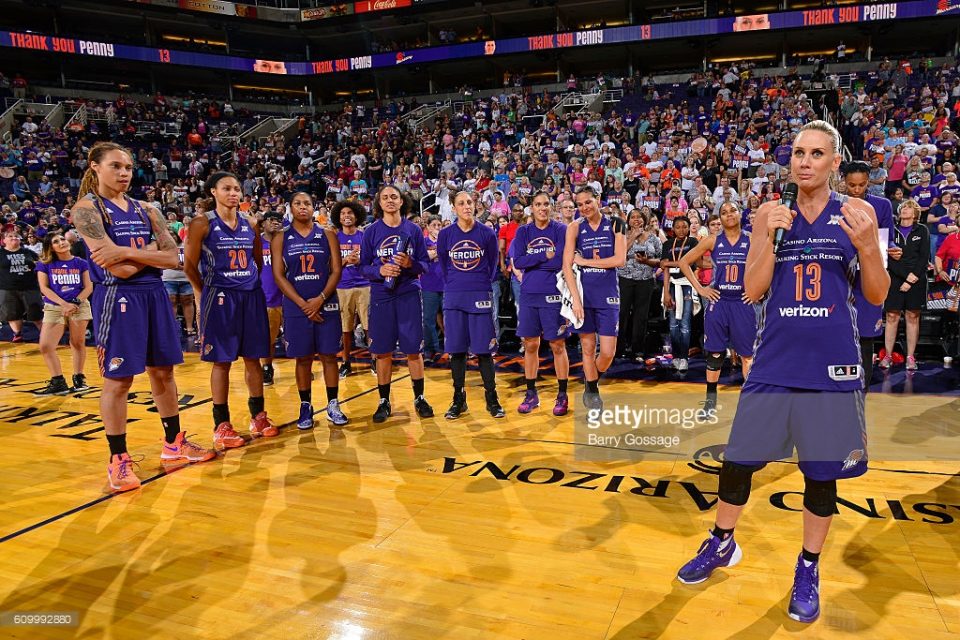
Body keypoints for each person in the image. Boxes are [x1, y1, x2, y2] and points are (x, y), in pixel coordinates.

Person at [675, 121, 890, 624]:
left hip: (832, 369)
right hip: (773, 360)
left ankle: (808, 567)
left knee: (820, 476)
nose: (806, 161)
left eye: (817, 153)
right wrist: (763, 234)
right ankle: (722, 543)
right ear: (789, 161)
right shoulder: (770, 215)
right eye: (798, 152)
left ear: (835, 162)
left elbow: (877, 295)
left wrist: (865, 247)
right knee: (738, 463)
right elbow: (752, 289)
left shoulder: (858, 214)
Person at [72, 142, 214, 493]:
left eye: (129, 168)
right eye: (116, 166)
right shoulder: (87, 209)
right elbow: (118, 271)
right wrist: (150, 253)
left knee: (163, 371)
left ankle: (173, 443)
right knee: (119, 380)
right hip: (118, 299)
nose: (124, 173)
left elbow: (177, 258)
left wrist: (123, 251)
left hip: (154, 294)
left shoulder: (147, 209)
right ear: (95, 167)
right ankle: (117, 459)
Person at [185, 171, 276, 450]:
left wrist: (247, 283)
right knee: (222, 361)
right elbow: (189, 265)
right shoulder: (202, 223)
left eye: (237, 189)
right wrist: (204, 292)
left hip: (250, 295)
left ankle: (258, 416)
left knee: (253, 357)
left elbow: (257, 262)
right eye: (227, 188)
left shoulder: (251, 223)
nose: (233, 193)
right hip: (220, 295)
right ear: (213, 192)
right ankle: (221, 424)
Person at [271, 192, 348, 429]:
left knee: (328, 356)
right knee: (302, 359)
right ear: (290, 208)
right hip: (296, 306)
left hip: (327, 302)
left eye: (307, 203)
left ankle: (333, 403)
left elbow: (336, 270)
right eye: (297, 203)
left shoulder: (327, 234)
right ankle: (306, 406)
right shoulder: (281, 238)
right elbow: (278, 275)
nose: (302, 207)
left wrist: (321, 298)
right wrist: (304, 304)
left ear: (314, 208)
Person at [359, 185, 434, 423]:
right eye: (385, 197)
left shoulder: (413, 230)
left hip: (409, 293)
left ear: (402, 202)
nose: (390, 200)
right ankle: (384, 400)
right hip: (382, 295)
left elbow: (424, 266)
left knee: (413, 349)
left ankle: (419, 397)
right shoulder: (371, 232)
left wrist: (410, 263)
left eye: (394, 197)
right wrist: (380, 270)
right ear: (379, 204)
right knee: (382, 351)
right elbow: (363, 268)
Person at [677, 202, 755, 414]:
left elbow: (768, 264)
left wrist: (759, 290)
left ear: (741, 214)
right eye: (724, 212)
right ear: (719, 218)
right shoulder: (713, 240)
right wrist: (701, 289)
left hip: (742, 301)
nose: (729, 215)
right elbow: (684, 262)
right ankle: (710, 402)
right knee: (715, 354)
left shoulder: (751, 239)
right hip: (718, 302)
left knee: (747, 355)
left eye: (733, 211)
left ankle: (750, 404)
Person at [436, 190, 504, 419]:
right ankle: (458, 399)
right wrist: (456, 282)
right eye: (461, 203)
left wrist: (478, 281)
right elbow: (444, 264)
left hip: (479, 293)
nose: (467, 206)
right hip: (454, 294)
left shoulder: (486, 233)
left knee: (484, 351)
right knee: (456, 351)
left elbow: (493, 264)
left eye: (470, 202)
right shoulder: (445, 234)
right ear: (453, 207)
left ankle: (492, 398)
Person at [562, 186, 626, 409]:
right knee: (588, 349)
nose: (584, 208)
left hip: (608, 294)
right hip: (584, 295)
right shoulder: (574, 228)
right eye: (579, 205)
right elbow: (567, 266)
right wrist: (575, 301)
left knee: (607, 353)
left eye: (588, 202)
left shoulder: (617, 223)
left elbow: (619, 260)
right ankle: (592, 392)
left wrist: (585, 261)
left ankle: (591, 382)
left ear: (598, 200)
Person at [512, 192, 571, 415]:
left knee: (557, 345)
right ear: (532, 208)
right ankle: (531, 394)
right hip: (528, 294)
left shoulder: (560, 230)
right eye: (538, 204)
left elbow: (561, 260)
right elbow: (518, 261)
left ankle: (562, 395)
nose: (542, 208)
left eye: (546, 204)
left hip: (553, 294)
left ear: (551, 206)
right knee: (530, 345)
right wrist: (543, 256)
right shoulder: (523, 231)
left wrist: (536, 260)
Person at [842, 161, 896, 385]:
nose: (856, 190)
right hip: (841, 276)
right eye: (852, 185)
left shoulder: (882, 205)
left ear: (868, 182)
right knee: (838, 333)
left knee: (865, 335)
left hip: (868, 276)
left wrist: (893, 248)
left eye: (862, 185)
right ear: (844, 182)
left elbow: (887, 237)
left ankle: (862, 386)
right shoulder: (833, 204)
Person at [34, 231, 93, 395]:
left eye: (62, 239)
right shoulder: (45, 264)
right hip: (54, 306)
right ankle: (58, 381)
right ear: (51, 248)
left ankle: (79, 377)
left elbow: (89, 287)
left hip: (78, 305)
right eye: (55, 241)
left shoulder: (81, 263)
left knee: (77, 342)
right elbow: (44, 288)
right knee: (45, 345)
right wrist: (63, 304)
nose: (61, 242)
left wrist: (74, 303)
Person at [879, 199, 929, 371]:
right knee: (891, 317)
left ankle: (910, 357)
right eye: (903, 207)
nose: (905, 210)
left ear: (915, 213)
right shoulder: (891, 230)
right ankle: (887, 355)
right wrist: (905, 277)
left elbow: (924, 257)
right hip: (894, 278)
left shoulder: (922, 230)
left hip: (916, 279)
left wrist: (911, 279)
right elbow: (888, 259)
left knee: (912, 317)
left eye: (909, 207)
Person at [331, 200, 371, 378]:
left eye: (350, 213)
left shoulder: (364, 236)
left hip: (364, 285)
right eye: (343, 213)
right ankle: (346, 362)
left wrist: (360, 261)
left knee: (370, 327)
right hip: (342, 287)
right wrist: (345, 261)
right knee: (345, 328)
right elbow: (329, 265)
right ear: (338, 217)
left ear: (357, 216)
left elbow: (372, 262)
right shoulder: (333, 238)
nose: (347, 216)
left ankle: (375, 359)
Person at [617, 209, 661, 362]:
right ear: (628, 221)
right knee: (621, 314)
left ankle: (638, 350)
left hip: (646, 281)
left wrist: (648, 261)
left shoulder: (654, 238)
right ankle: (619, 348)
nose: (636, 220)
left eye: (639, 217)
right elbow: (619, 255)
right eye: (633, 217)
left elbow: (661, 260)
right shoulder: (621, 236)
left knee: (640, 316)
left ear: (645, 220)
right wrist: (633, 236)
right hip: (624, 279)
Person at [661, 216, 699, 371]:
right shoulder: (668, 244)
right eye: (678, 227)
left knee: (685, 323)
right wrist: (666, 292)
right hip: (671, 285)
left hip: (687, 284)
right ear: (673, 229)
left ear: (689, 228)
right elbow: (665, 268)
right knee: (673, 324)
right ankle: (676, 356)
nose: (681, 230)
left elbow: (691, 262)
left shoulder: (693, 243)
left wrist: (669, 262)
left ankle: (684, 357)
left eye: (685, 226)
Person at [0, 229, 42, 343]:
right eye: (10, 236)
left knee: (36, 313)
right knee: (12, 313)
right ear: (4, 240)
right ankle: (17, 334)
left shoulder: (28, 252)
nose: (14, 237)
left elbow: (42, 262)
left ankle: (45, 334)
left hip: (30, 287)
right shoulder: (1, 253)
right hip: (7, 288)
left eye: (16, 236)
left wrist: (36, 266)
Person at [259, 212, 284, 385]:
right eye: (271, 220)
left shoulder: (287, 241)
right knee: (268, 337)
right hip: (267, 296)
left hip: (289, 296)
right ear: (263, 224)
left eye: (278, 221)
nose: (275, 223)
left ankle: (303, 366)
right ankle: (267, 367)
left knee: (297, 336)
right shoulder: (256, 242)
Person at [161, 233, 196, 338]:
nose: (172, 237)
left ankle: (189, 328)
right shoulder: (163, 248)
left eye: (174, 235)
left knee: (188, 302)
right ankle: (172, 328)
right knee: (171, 303)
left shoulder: (185, 247)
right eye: (170, 236)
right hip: (168, 279)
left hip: (186, 279)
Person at [421, 215, 445, 362]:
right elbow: (424, 258)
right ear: (428, 227)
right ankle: (430, 349)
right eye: (434, 225)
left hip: (446, 285)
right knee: (428, 319)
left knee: (449, 319)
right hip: (428, 285)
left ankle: (454, 348)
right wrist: (437, 252)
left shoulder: (445, 241)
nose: (437, 228)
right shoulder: (423, 242)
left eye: (439, 225)